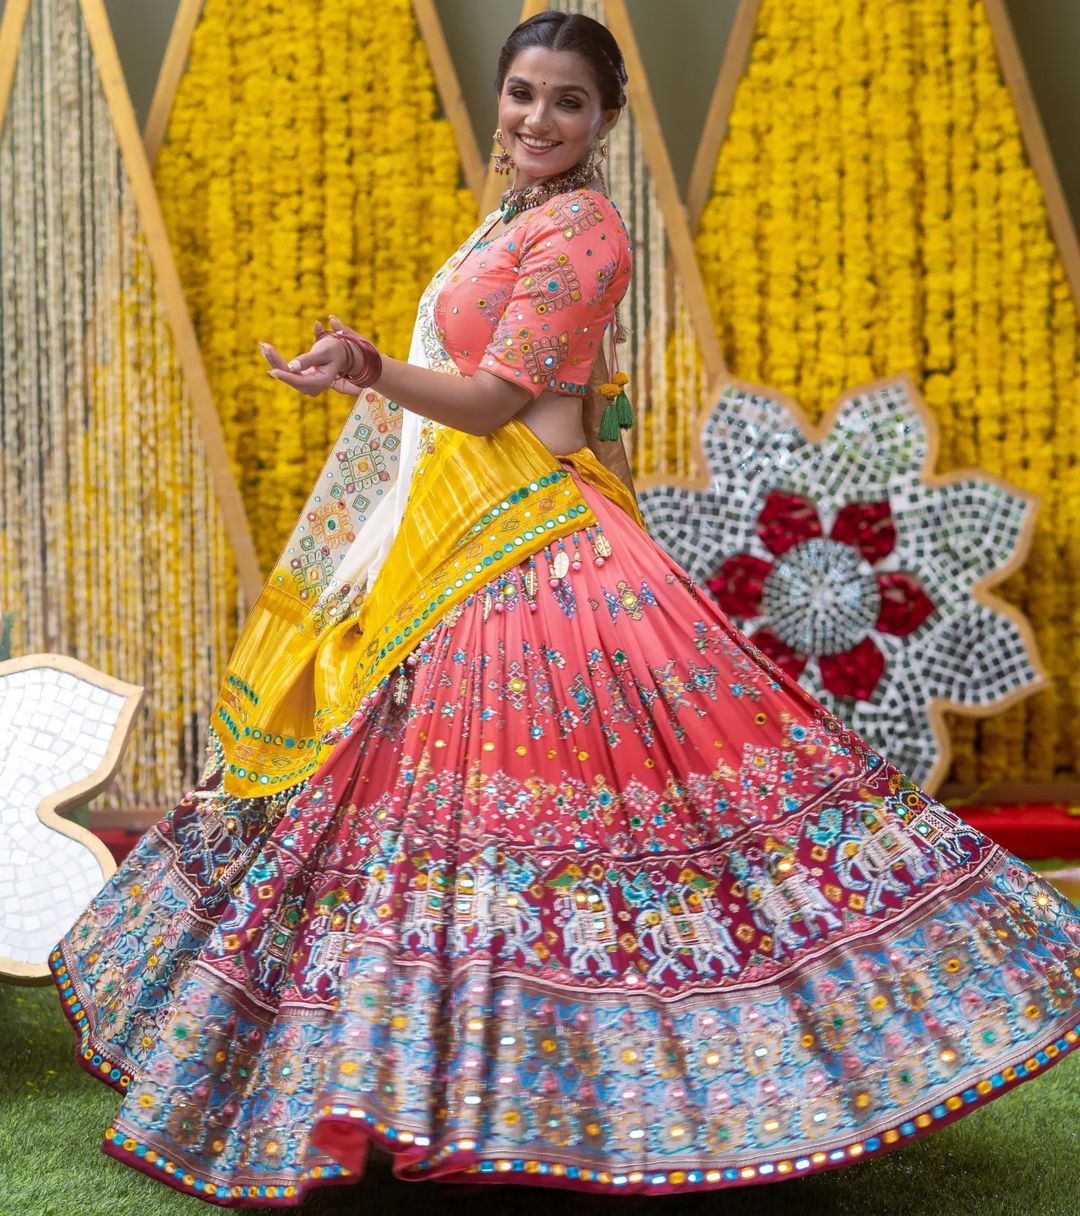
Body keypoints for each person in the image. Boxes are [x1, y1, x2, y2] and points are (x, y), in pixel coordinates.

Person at [51, 10, 1080, 1209]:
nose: (538, 117)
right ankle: (434, 1095)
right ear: (501, 99)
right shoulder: (516, 219)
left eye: (568, 100)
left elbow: (492, 404)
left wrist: (372, 369)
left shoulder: (584, 232)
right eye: (523, 93)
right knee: (443, 827)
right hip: (483, 545)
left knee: (577, 835)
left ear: (607, 118)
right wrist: (440, 391)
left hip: (534, 554)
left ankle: (594, 1096)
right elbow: (573, 394)